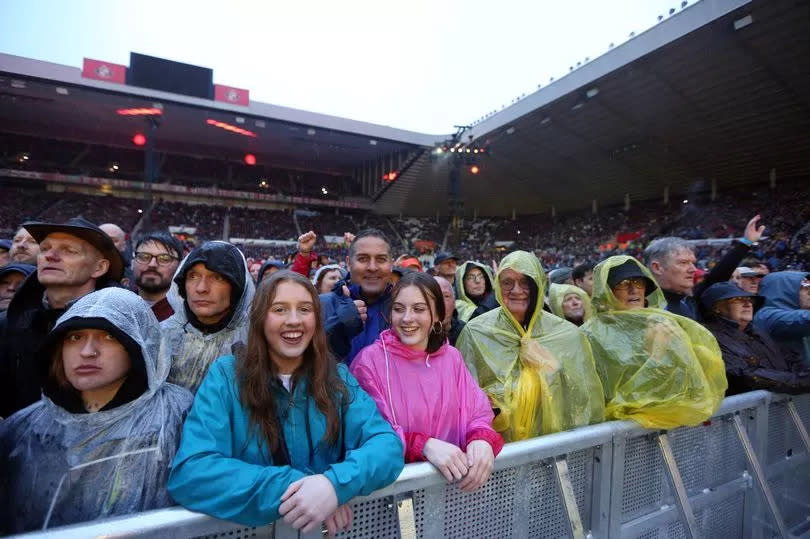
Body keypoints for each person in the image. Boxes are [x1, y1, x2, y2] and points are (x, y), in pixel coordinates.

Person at [167, 271, 403, 534]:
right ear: (259, 319)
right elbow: (192, 473)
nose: (294, 321)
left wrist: (335, 485)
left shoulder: (337, 377)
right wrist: (304, 489)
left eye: (304, 309)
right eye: (279, 309)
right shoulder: (226, 377)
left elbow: (387, 445)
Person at [0, 288, 193, 533]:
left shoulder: (177, 415)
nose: (87, 351)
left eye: (108, 336)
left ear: (141, 343)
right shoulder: (24, 428)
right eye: (75, 337)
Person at [351, 272, 502, 490]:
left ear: (438, 316)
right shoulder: (369, 362)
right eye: (399, 309)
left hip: (451, 494)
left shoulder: (451, 358)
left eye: (419, 309)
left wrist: (481, 438)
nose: (407, 318)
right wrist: (422, 445)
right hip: (390, 496)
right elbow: (362, 431)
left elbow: (477, 412)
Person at [456, 251, 605, 442]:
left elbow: (585, 403)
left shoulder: (567, 335)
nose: (516, 290)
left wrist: (552, 370)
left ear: (538, 286)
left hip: (557, 448)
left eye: (525, 282)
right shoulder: (476, 333)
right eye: (507, 282)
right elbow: (463, 401)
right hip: (498, 454)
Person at [581, 256, 727, 429]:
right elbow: (609, 398)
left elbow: (691, 385)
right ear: (606, 290)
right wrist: (655, 355)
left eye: (639, 282)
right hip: (621, 438)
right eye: (623, 283)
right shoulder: (590, 335)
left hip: (676, 430)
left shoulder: (665, 324)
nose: (633, 289)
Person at [0, 217, 124, 418]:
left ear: (99, 268)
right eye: (45, 248)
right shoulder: (9, 324)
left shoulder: (122, 327)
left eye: (69, 250)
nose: (51, 256)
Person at [161, 241, 255, 394]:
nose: (201, 288)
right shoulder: (161, 335)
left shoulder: (254, 341)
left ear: (236, 286)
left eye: (217, 277)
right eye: (193, 276)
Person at [644, 215, 765, 321]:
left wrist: (746, 243)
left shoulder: (689, 302)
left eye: (693, 263)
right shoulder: (640, 306)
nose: (693, 269)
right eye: (683, 263)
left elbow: (716, 278)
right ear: (657, 267)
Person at [702, 282, 810, 394]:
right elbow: (745, 374)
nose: (747, 304)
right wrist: (800, 380)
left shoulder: (756, 331)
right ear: (717, 308)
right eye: (738, 299)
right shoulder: (710, 338)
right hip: (743, 409)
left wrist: (804, 375)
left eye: (749, 299)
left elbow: (788, 358)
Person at [321, 228, 394, 363]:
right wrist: (335, 329)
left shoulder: (404, 311)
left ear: (391, 264)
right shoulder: (321, 305)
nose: (372, 267)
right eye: (363, 259)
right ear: (349, 263)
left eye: (381, 259)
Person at [754, 272, 810, 364]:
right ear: (787, 290)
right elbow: (799, 319)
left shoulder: (800, 310)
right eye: (805, 288)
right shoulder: (765, 315)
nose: (809, 292)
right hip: (781, 376)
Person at [132, 232, 183, 322]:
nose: (152, 264)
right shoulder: (117, 306)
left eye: (164, 259)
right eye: (144, 256)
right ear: (133, 262)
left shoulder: (186, 314)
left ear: (179, 266)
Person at [434, 275, 466, 346]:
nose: (440, 303)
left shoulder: (465, 331)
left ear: (454, 302)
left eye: (446, 296)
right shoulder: (418, 336)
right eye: (433, 297)